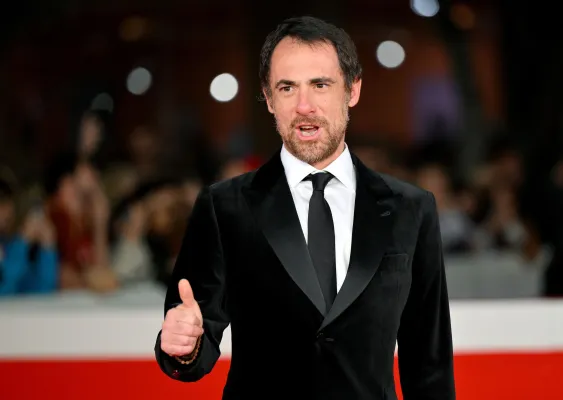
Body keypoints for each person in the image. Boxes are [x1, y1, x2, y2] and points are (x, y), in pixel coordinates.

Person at [154, 16, 456, 399]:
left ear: (352, 90)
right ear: (268, 98)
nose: (304, 106)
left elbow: (429, 365)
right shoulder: (223, 207)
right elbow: (195, 338)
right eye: (287, 88)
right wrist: (186, 345)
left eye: (320, 85)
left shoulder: (411, 209)